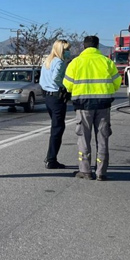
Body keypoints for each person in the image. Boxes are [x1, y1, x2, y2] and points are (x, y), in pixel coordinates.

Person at [62, 35, 122, 181]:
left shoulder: (76, 62)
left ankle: (85, 171)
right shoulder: (106, 61)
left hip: (83, 106)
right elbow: (117, 83)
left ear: (84, 46)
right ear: (97, 46)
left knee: (83, 138)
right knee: (102, 139)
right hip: (103, 105)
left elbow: (67, 85)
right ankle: (101, 172)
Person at [39, 39, 71, 169]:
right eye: (67, 50)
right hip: (56, 97)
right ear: (61, 50)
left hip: (48, 96)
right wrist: (66, 87)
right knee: (58, 128)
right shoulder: (59, 62)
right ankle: (51, 159)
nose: (69, 52)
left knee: (55, 127)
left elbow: (42, 80)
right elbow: (56, 78)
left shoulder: (47, 61)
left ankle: (51, 157)